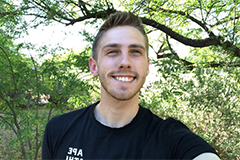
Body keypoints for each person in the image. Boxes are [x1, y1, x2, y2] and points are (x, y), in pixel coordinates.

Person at [42, 11, 220, 160]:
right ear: (94, 66)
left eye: (135, 51)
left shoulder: (169, 138)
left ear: (147, 66)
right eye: (113, 52)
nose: (125, 62)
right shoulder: (58, 129)